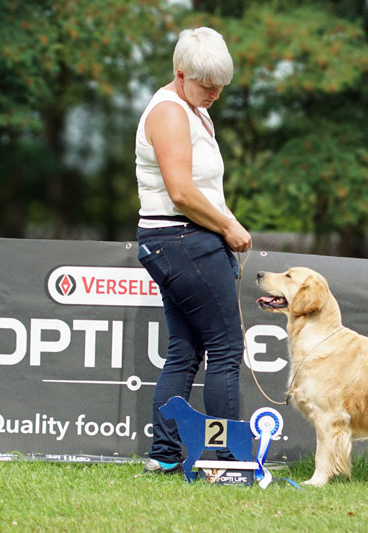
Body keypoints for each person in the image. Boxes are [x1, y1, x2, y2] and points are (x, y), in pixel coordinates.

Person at [135, 27, 252, 474]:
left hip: (179, 241)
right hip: (183, 240)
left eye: (221, 85)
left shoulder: (194, 108)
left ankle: (164, 458)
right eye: (207, 85)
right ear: (180, 74)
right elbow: (181, 192)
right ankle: (226, 460)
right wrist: (229, 225)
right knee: (225, 348)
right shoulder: (169, 113)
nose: (216, 93)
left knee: (185, 350)